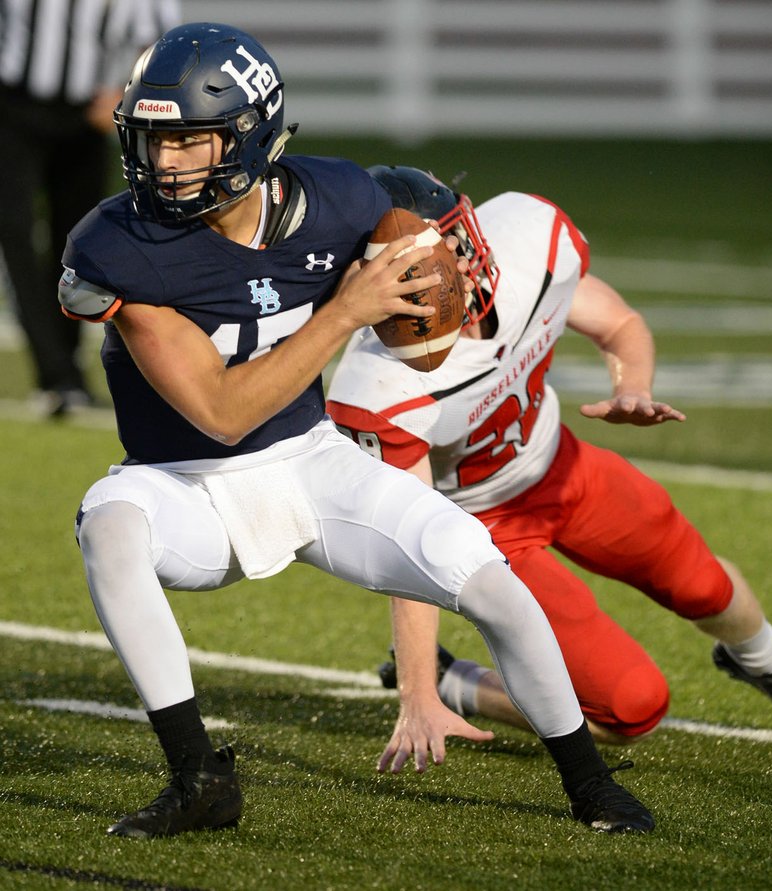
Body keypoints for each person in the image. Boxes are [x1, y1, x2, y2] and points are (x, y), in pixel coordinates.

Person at [58, 22, 655, 839]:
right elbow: (222, 412)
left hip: (312, 463)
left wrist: (429, 288)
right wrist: (346, 310)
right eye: (155, 140)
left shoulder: (338, 199)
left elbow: (420, 247)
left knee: (489, 581)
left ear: (251, 136)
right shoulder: (117, 242)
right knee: (111, 525)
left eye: (191, 141)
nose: (166, 164)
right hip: (185, 481)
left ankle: (592, 786)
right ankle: (198, 777)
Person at [326, 165, 772, 755]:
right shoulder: (381, 384)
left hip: (560, 465)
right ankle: (460, 684)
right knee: (631, 708)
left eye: (448, 247)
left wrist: (635, 386)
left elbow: (620, 323)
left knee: (702, 582)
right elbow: (410, 537)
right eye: (414, 270)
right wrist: (420, 690)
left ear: (469, 228)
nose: (451, 273)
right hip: (488, 531)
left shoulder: (528, 242)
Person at [0, 0, 181, 416]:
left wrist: (124, 94)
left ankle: (66, 370)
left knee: (76, 243)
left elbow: (158, 40)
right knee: (15, 233)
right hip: (11, 109)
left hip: (87, 116)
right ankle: (56, 373)